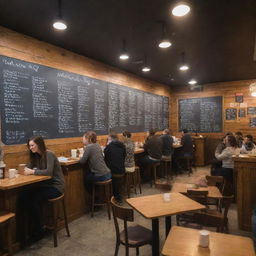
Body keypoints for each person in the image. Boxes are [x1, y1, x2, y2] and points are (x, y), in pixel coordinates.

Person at [17, 136, 65, 242]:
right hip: (46, 186)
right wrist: (21, 170)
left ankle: (39, 229)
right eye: (29, 146)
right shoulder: (35, 156)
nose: (31, 148)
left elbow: (49, 172)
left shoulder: (49, 154)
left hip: (56, 187)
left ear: (39, 145)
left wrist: (32, 171)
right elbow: (28, 167)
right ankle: (26, 232)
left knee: (34, 199)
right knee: (23, 196)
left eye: (32, 145)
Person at [104, 132, 126, 203]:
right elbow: (124, 156)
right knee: (117, 181)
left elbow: (105, 158)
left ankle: (114, 197)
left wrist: (107, 145)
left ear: (110, 139)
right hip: (122, 170)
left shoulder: (109, 147)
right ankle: (117, 195)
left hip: (113, 171)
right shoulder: (122, 145)